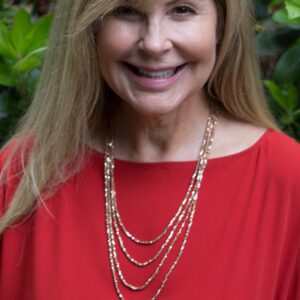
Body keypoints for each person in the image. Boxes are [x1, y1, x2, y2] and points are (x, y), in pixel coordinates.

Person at [0, 0, 299, 299]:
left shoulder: (287, 180)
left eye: (182, 9)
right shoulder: (20, 174)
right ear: (90, 28)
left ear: (222, 24)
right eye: (126, 10)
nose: (154, 44)